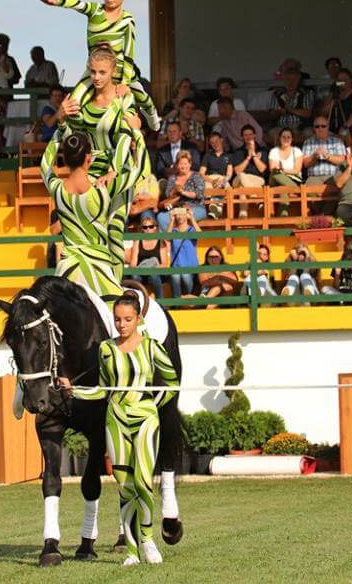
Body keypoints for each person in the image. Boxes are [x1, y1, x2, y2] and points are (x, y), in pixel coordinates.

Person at [58, 292, 178, 567]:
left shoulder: (152, 347)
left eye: (127, 319)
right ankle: (132, 552)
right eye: (117, 319)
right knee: (124, 487)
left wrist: (152, 405)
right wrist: (73, 391)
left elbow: (171, 383)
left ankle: (148, 540)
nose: (122, 324)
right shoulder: (105, 350)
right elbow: (103, 391)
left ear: (138, 319)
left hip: (146, 420)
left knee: (143, 482)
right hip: (116, 421)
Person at [48, 44, 150, 280]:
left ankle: (114, 290)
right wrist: (62, 119)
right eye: (93, 72)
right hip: (90, 171)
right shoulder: (82, 103)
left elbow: (126, 136)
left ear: (113, 72)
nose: (96, 77)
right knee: (89, 233)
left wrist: (115, 169)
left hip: (117, 174)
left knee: (114, 234)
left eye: (102, 72)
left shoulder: (124, 97)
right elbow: (71, 139)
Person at [39, 0, 160, 131]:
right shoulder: (95, 11)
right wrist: (57, 1)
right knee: (74, 101)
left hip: (120, 70)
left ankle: (152, 116)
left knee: (143, 97)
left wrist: (124, 82)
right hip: (95, 70)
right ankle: (80, 132)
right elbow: (78, 3)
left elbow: (129, 53)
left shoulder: (127, 20)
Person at [42, 131, 144, 306]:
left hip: (67, 268)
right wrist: (136, 133)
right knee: (129, 321)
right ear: (88, 158)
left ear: (64, 159)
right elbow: (139, 168)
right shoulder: (103, 188)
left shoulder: (56, 188)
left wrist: (59, 131)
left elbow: (44, 164)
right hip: (99, 268)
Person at [156, 153, 206, 231]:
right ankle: (167, 242)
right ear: (177, 165)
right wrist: (175, 189)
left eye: (185, 163)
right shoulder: (173, 178)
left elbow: (199, 194)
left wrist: (183, 192)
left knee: (181, 217)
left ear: (190, 164)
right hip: (177, 208)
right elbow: (168, 195)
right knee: (161, 217)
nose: (183, 166)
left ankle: (181, 241)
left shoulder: (197, 176)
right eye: (180, 164)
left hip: (196, 207)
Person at [127, 219, 169, 299]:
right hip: (142, 271)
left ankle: (161, 302)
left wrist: (151, 269)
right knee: (134, 276)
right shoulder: (138, 241)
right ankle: (138, 301)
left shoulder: (160, 241)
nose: (148, 229)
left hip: (156, 271)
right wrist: (141, 270)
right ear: (142, 229)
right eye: (145, 227)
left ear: (155, 228)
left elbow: (164, 264)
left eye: (151, 226)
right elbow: (133, 263)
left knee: (154, 275)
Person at [302, 115, 347, 187]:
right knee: (309, 193)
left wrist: (327, 156)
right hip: (314, 177)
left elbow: (342, 161)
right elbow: (305, 164)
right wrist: (314, 157)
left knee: (340, 187)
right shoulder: (308, 142)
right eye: (317, 126)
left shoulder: (337, 142)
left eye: (323, 126)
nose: (320, 129)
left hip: (334, 176)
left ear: (328, 127)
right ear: (314, 128)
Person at [268, 127, 303, 216]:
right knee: (275, 173)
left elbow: (297, 170)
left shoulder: (297, 151)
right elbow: (273, 168)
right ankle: (296, 189)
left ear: (292, 139)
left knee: (283, 189)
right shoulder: (274, 151)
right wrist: (281, 171)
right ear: (279, 138)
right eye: (284, 137)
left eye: (288, 137)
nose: (286, 139)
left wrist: (283, 170)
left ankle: (283, 215)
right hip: (275, 179)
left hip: (292, 179)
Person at [168, 208, 200, 298]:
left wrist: (192, 218)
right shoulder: (173, 231)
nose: (179, 216)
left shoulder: (191, 230)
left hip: (190, 266)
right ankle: (177, 302)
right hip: (176, 266)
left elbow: (200, 235)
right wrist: (171, 220)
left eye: (182, 214)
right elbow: (166, 238)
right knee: (175, 276)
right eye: (178, 214)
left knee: (185, 276)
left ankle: (187, 298)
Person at [270, 68, 314, 133]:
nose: (291, 82)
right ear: (284, 80)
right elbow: (272, 114)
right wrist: (279, 112)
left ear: (298, 81)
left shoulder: (306, 93)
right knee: (273, 133)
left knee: (308, 132)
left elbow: (308, 113)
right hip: (281, 127)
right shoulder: (277, 94)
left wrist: (291, 110)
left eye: (294, 80)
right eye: (288, 79)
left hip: (300, 127)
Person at [322, 68, 352, 136]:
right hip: (331, 127)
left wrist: (346, 126)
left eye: (345, 79)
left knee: (343, 133)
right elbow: (323, 112)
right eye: (340, 80)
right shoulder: (333, 94)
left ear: (350, 80)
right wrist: (332, 104)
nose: (343, 82)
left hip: (349, 127)